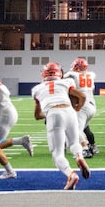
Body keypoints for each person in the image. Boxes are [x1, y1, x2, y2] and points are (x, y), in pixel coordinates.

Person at [31, 61, 90, 190]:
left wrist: (48, 114)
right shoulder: (66, 82)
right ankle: (79, 157)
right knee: (74, 143)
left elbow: (37, 115)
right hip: (69, 111)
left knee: (57, 154)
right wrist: (78, 108)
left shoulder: (36, 89)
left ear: (43, 74)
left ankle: (71, 174)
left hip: (53, 113)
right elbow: (82, 96)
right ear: (59, 73)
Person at [64, 57, 99, 158]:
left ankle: (85, 149)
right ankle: (90, 146)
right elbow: (91, 91)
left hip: (82, 105)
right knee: (81, 129)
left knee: (75, 130)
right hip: (92, 105)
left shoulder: (71, 75)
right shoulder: (90, 75)